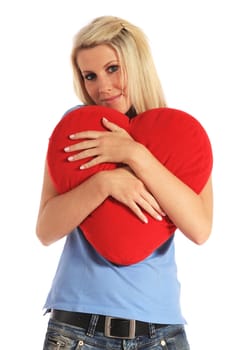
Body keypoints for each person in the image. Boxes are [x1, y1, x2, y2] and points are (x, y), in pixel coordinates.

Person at [36, 15, 213, 350]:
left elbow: (200, 229)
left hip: (160, 331)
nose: (102, 86)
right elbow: (46, 230)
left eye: (113, 68)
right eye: (90, 75)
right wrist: (105, 182)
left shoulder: (180, 135)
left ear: (137, 64)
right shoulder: (76, 128)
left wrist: (135, 155)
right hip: (76, 330)